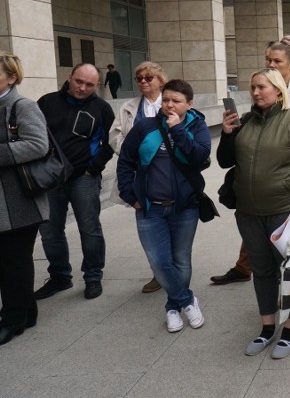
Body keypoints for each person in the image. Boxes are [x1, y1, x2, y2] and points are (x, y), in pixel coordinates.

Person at [211, 35, 290, 285]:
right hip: (258, 189)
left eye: (277, 60)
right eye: (268, 60)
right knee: (259, 234)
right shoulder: (257, 100)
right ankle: (246, 268)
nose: (272, 64)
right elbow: (226, 158)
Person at [218, 68, 290, 358]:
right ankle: (267, 327)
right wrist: (227, 134)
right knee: (261, 271)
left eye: (261, 87)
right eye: (253, 88)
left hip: (283, 212)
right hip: (248, 213)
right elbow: (225, 161)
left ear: (277, 89)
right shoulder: (245, 121)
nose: (256, 92)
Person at [116, 79, 211, 333]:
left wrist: (178, 129)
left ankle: (172, 307)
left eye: (176, 101)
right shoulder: (145, 127)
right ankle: (187, 300)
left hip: (185, 207)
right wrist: (129, 194)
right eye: (166, 100)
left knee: (181, 259)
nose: (169, 105)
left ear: (189, 104)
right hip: (150, 207)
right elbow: (126, 161)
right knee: (159, 261)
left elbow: (199, 157)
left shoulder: (197, 126)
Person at [35, 63, 115, 300]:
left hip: (84, 179)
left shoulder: (102, 109)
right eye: (78, 81)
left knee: (90, 229)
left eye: (89, 84)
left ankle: (93, 277)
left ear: (97, 85)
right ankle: (60, 276)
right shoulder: (46, 102)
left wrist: (94, 168)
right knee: (50, 231)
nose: (82, 87)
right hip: (49, 179)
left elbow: (111, 142)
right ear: (69, 77)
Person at [0, 52, 48, 346]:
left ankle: (13, 318)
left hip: (19, 200)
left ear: (11, 77)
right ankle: (27, 311)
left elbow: (38, 145)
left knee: (14, 260)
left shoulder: (22, 106)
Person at [108, 61, 168, 293]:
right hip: (139, 175)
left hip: (167, 175)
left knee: (172, 224)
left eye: (148, 78)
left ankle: (174, 269)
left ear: (160, 80)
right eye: (139, 78)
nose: (143, 81)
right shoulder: (129, 107)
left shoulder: (171, 101)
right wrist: (132, 150)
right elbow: (115, 136)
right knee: (148, 227)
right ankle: (158, 273)